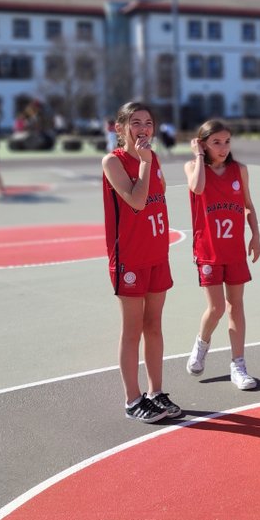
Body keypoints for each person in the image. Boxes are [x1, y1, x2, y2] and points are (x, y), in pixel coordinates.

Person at [101, 101, 182, 424]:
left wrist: (149, 162)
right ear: (120, 128)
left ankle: (155, 391)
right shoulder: (113, 162)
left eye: (148, 122)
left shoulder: (153, 158)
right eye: (135, 122)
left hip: (156, 253)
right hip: (130, 258)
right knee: (132, 329)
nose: (143, 128)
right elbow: (136, 201)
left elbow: (156, 202)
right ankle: (132, 399)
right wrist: (146, 163)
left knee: (154, 326)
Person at [184, 119, 260, 390]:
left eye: (227, 141)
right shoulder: (194, 168)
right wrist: (197, 154)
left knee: (236, 306)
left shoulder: (239, 170)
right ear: (203, 143)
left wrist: (256, 235)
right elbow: (197, 188)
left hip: (235, 250)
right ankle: (201, 344)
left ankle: (238, 365)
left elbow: (248, 205)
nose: (223, 147)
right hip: (208, 250)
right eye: (216, 142)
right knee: (216, 307)